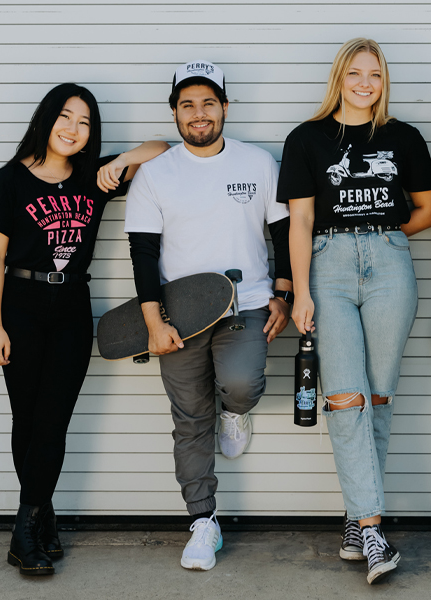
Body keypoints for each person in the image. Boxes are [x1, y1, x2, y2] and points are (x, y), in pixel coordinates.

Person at [0, 83, 169, 576]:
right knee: (29, 420)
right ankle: (37, 523)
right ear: (45, 120)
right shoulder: (8, 181)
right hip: (21, 306)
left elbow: (163, 150)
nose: (73, 129)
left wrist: (119, 159)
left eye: (85, 123)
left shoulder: (93, 178)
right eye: (66, 117)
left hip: (70, 308)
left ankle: (30, 525)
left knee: (53, 420)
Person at [277, 39, 431, 584]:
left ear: (383, 80)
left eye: (374, 74)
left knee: (379, 395)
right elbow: (299, 223)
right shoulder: (307, 138)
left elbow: (427, 210)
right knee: (346, 398)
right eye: (355, 73)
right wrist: (302, 291)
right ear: (339, 78)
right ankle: (373, 531)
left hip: (391, 265)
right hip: (328, 268)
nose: (365, 83)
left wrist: (386, 234)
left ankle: (355, 516)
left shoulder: (403, 138)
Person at [123, 60, 293, 572]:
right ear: (175, 112)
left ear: (224, 107)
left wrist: (282, 293)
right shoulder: (155, 174)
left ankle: (235, 412)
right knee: (189, 420)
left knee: (239, 385)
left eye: (208, 103)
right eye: (187, 104)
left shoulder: (258, 164)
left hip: (247, 304)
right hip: (179, 316)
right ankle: (203, 522)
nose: (199, 114)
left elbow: (283, 235)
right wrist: (154, 322)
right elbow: (142, 254)